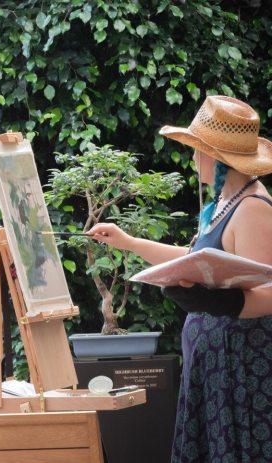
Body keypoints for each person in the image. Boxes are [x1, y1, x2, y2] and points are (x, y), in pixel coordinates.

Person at [88, 95, 272, 463]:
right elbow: (195, 259)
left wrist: (218, 302)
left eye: (196, 150)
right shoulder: (225, 202)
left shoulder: (252, 207)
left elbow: (268, 291)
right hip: (216, 371)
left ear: (218, 157)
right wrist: (128, 242)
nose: (192, 158)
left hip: (239, 377)